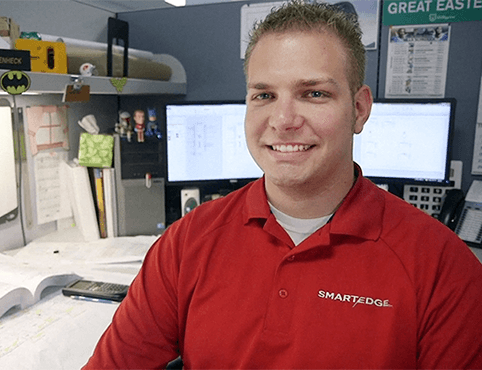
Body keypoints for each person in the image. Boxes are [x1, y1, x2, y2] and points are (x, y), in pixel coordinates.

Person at [83, 2, 482, 368]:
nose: (283, 119)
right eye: (264, 95)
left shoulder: (442, 267)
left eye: (314, 93)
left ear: (359, 109)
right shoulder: (186, 244)